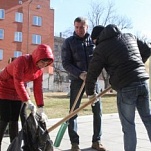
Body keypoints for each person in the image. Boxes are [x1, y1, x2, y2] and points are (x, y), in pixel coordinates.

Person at [85, 24, 151, 151]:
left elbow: (92, 74)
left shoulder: (101, 48)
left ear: (97, 38)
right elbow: (148, 49)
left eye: (94, 42)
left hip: (126, 87)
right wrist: (137, 66)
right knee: (148, 119)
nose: (95, 44)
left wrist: (91, 94)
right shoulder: (129, 36)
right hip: (142, 82)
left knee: (128, 125)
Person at [61, 17, 106, 151]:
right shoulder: (68, 42)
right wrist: (80, 74)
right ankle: (74, 143)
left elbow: (101, 59)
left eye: (82, 27)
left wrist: (93, 74)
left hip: (93, 82)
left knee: (97, 111)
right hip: (76, 81)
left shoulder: (94, 42)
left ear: (87, 27)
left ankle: (96, 141)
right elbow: (66, 63)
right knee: (73, 113)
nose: (79, 30)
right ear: (74, 27)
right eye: (77, 27)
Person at [0, 44, 54, 150]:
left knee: (14, 120)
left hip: (18, 92)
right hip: (4, 87)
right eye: (42, 62)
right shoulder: (22, 61)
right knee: (4, 119)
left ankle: (14, 147)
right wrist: (27, 101)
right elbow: (18, 81)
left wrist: (40, 107)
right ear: (37, 57)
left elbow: (38, 88)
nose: (43, 65)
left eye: (46, 63)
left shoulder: (39, 71)